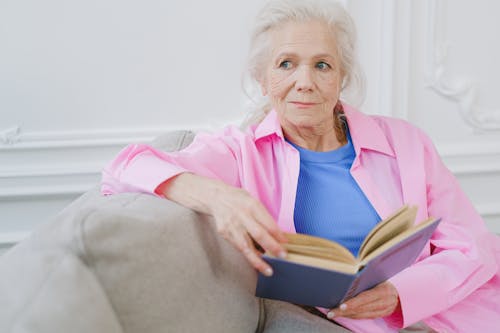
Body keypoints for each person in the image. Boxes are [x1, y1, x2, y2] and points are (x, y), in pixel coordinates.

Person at [101, 0, 500, 332]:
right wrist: (217, 196)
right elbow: (124, 168)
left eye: (322, 65)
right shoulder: (241, 151)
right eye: (286, 64)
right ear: (262, 78)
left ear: (342, 76)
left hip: (450, 314)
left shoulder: (406, 141)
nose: (304, 81)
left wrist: (402, 293)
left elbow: (472, 245)